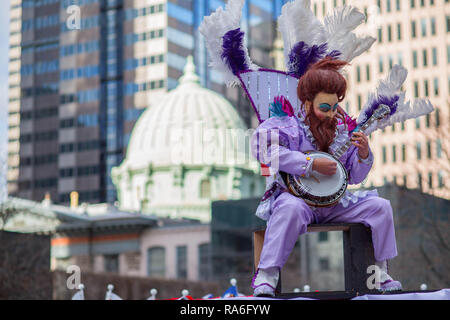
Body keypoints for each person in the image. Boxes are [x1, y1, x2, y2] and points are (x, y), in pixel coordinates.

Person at [250, 57, 402, 297]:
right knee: (289, 210)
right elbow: (270, 153)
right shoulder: (288, 125)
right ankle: (266, 277)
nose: (331, 114)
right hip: (296, 200)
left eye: (334, 107)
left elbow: (353, 177)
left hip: (335, 204)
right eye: (324, 108)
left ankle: (380, 274)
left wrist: (363, 154)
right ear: (308, 103)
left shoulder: (343, 130)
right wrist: (309, 164)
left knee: (379, 206)